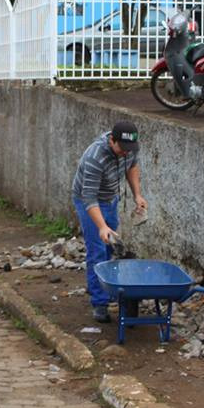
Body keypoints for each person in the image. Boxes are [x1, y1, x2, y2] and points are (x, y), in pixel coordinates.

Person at [72, 121, 147, 322]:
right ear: (111, 140)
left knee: (110, 248)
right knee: (97, 250)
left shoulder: (129, 148)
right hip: (88, 201)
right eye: (121, 149)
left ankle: (106, 287)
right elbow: (88, 198)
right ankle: (100, 303)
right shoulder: (95, 157)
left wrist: (137, 195)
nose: (125, 153)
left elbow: (132, 166)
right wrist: (102, 226)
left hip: (111, 198)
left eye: (128, 149)